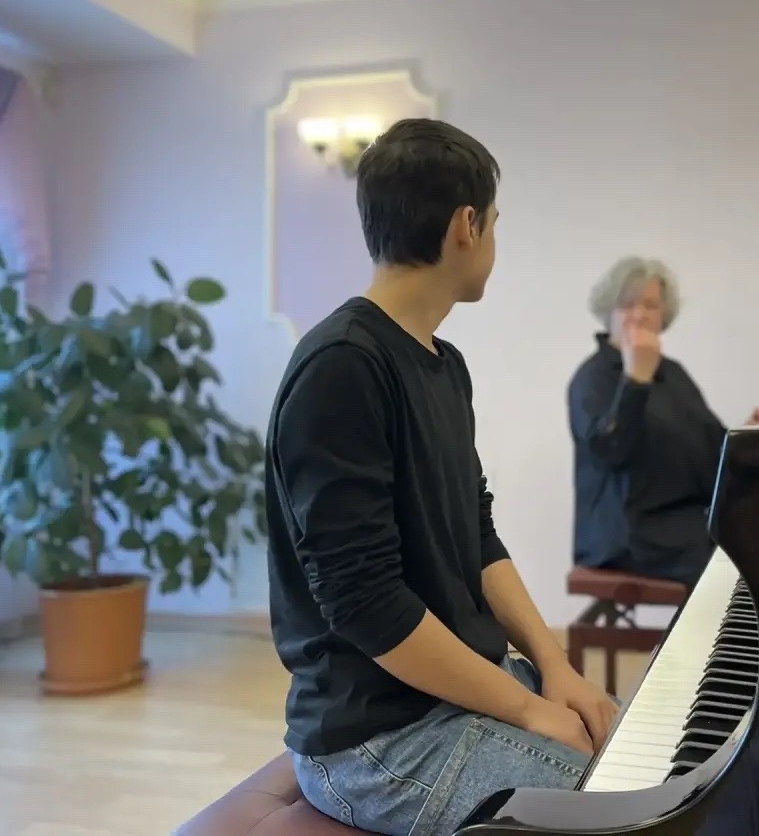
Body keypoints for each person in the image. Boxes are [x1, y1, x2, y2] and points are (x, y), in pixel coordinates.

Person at [265, 118, 618, 836]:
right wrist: (528, 709)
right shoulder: (342, 368)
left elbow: (477, 533)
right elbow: (365, 603)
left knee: (633, 747)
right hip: (372, 740)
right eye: (494, 222)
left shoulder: (444, 366)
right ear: (467, 225)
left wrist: (554, 666)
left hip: (451, 696)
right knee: (616, 808)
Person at [568, 257, 759, 590]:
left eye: (650, 305)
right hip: (627, 534)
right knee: (739, 558)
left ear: (663, 315)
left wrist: (748, 438)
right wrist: (636, 380)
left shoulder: (673, 374)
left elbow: (710, 453)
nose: (640, 314)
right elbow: (610, 451)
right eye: (628, 304)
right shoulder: (592, 378)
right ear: (609, 312)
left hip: (684, 521)